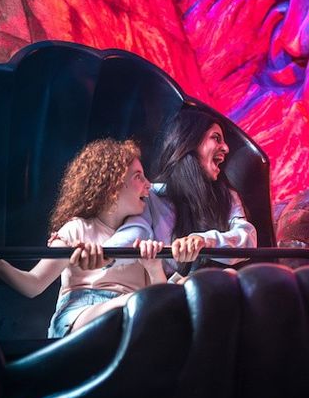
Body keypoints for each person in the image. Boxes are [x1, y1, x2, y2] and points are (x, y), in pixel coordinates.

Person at [0, 138, 175, 338]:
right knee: (137, 304)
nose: (148, 184)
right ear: (113, 186)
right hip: (80, 316)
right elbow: (34, 284)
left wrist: (154, 267)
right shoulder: (75, 229)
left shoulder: (143, 238)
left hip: (129, 323)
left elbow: (160, 301)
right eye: (138, 176)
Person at [104, 107, 257, 281]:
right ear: (189, 141)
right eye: (216, 138)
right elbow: (135, 232)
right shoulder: (151, 196)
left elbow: (247, 238)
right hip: (172, 296)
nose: (226, 148)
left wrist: (203, 240)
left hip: (216, 289)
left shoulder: (227, 196)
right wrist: (104, 255)